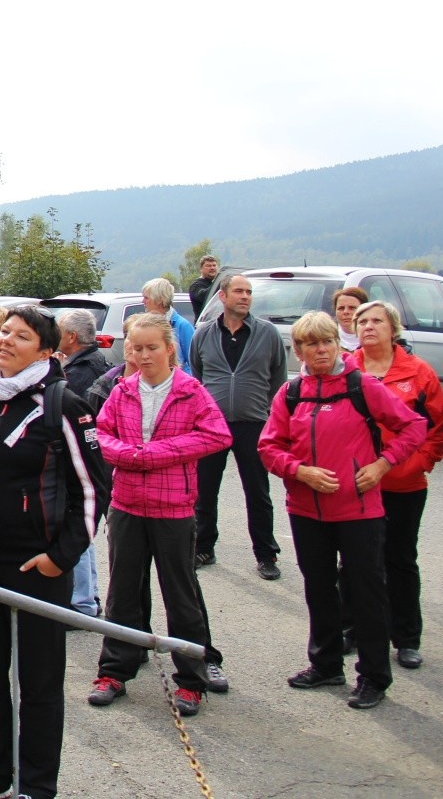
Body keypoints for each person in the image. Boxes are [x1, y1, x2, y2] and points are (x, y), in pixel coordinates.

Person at [0, 305, 104, 799]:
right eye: (4, 331)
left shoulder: (63, 405)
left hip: (36, 567)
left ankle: (35, 785)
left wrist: (61, 557)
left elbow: (92, 490)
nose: (6, 340)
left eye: (21, 336)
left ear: (46, 351)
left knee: (40, 683)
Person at [258, 311, 424, 710]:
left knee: (366, 595)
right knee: (318, 590)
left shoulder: (362, 386)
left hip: (359, 512)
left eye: (327, 341)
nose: (321, 350)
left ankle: (374, 677)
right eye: (311, 344)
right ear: (298, 351)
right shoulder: (290, 393)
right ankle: (326, 664)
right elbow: (268, 447)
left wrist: (383, 464)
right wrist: (300, 471)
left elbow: (414, 426)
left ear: (338, 344)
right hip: (306, 510)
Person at [87, 314, 231, 718]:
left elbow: (217, 435)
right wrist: (130, 454)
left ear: (169, 348)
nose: (144, 355)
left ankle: (191, 679)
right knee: (122, 593)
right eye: (137, 348)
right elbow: (100, 435)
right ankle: (114, 671)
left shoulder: (191, 391)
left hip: (173, 508)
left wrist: (155, 454)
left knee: (181, 595)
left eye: (152, 347)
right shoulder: (122, 390)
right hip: (126, 504)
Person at [350, 300, 443, 670]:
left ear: (393, 329)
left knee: (400, 559)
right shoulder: (346, 369)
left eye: (377, 320)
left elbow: (438, 429)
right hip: (358, 486)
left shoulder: (419, 372)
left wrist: (419, 463)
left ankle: (406, 638)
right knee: (356, 561)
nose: (368, 326)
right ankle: (352, 628)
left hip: (404, 485)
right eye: (362, 320)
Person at [188, 274, 286, 579]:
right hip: (212, 427)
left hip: (253, 423)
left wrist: (266, 411)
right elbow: (197, 376)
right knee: (205, 491)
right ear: (223, 296)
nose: (245, 297)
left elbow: (278, 378)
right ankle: (203, 547)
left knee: (258, 492)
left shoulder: (267, 334)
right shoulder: (203, 334)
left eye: (249, 292)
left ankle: (266, 554)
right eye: (239, 291)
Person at [57, 307, 110, 619]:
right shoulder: (93, 363)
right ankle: (86, 599)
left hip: (83, 462)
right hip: (91, 462)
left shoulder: (80, 374)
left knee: (76, 527)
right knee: (83, 531)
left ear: (71, 337)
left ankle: (81, 602)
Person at [141, 278, 194, 377]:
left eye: (146, 298)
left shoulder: (182, 326)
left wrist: (181, 379)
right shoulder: (144, 325)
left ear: (159, 300)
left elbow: (193, 363)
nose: (143, 301)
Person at [57, 308, 111, 396]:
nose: (56, 336)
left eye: (59, 332)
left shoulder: (76, 375)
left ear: (72, 337)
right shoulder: (98, 357)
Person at [332, 286, 368, 353]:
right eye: (341, 308)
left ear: (364, 310)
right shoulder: (328, 338)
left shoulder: (373, 338)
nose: (345, 312)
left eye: (352, 308)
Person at [188, 255, 219, 319]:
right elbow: (203, 295)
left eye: (214, 265)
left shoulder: (214, 283)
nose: (212, 268)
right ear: (201, 269)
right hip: (204, 323)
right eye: (208, 266)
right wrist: (219, 284)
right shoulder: (195, 285)